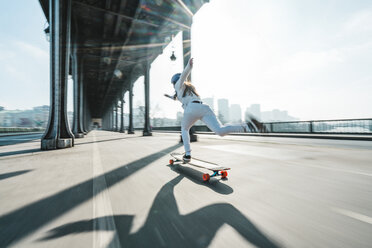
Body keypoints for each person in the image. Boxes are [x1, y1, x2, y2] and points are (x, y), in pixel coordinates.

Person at [165, 58, 266, 162]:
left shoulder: (178, 85)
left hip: (191, 109)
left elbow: (183, 76)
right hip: (203, 107)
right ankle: (248, 126)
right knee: (220, 131)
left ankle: (188, 154)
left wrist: (189, 66)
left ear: (174, 83)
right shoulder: (187, 89)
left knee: (184, 129)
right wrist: (168, 96)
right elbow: (175, 97)